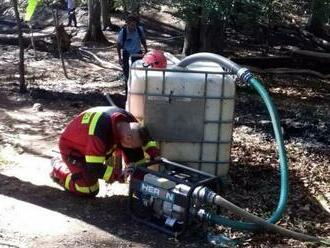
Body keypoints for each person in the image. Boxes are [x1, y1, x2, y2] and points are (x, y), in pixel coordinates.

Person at [50, 106, 160, 197]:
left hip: (99, 143)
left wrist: (153, 152)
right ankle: (58, 167)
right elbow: (94, 168)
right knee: (88, 189)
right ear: (128, 138)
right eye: (132, 145)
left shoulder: (129, 122)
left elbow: (143, 135)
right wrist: (120, 175)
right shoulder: (98, 133)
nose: (133, 149)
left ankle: (140, 188)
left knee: (138, 162)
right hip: (74, 150)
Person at [116, 15, 148, 92]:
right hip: (127, 54)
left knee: (139, 73)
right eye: (131, 25)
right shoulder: (123, 33)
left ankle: (138, 90)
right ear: (127, 24)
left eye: (134, 25)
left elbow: (143, 40)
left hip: (138, 54)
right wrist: (120, 58)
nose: (133, 27)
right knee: (127, 74)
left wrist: (146, 49)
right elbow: (118, 46)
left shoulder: (139, 30)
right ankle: (128, 92)